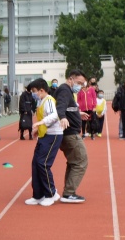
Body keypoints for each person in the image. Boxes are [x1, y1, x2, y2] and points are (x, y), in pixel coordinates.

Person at [24, 79, 63, 207]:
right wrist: (38, 129)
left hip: (53, 135)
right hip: (44, 135)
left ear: (41, 90)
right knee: (36, 163)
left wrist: (42, 122)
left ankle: (51, 193)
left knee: (43, 163)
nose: (33, 94)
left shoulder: (49, 100)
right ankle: (38, 195)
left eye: (34, 91)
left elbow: (54, 115)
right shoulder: (40, 101)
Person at [54, 69, 89, 203]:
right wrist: (62, 117)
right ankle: (69, 193)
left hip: (69, 133)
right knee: (81, 161)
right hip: (70, 134)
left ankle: (68, 192)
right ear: (71, 79)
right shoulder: (64, 90)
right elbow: (61, 106)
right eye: (79, 83)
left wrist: (77, 114)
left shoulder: (68, 91)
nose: (80, 86)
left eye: (82, 84)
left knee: (73, 162)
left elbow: (67, 107)